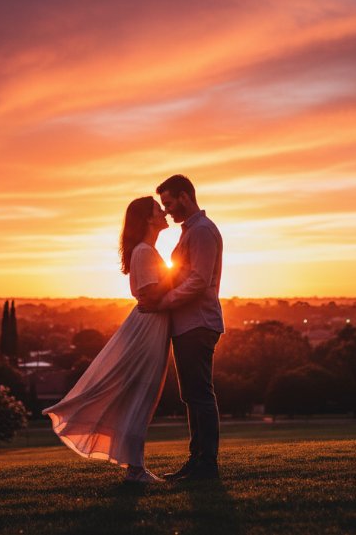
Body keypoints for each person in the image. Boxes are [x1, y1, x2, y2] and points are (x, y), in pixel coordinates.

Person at [43, 196, 173, 483]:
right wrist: (181, 274)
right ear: (148, 219)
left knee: (142, 395)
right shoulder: (144, 252)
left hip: (152, 326)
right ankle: (135, 470)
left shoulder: (146, 251)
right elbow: (151, 295)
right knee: (140, 395)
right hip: (148, 328)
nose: (164, 212)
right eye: (158, 209)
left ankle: (135, 467)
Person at [140, 174, 224, 481]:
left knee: (200, 394)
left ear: (185, 196)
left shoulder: (201, 231)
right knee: (192, 394)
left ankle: (207, 464)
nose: (167, 210)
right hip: (188, 324)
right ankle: (197, 460)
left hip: (198, 322)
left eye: (169, 202)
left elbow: (199, 282)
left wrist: (162, 303)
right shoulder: (191, 231)